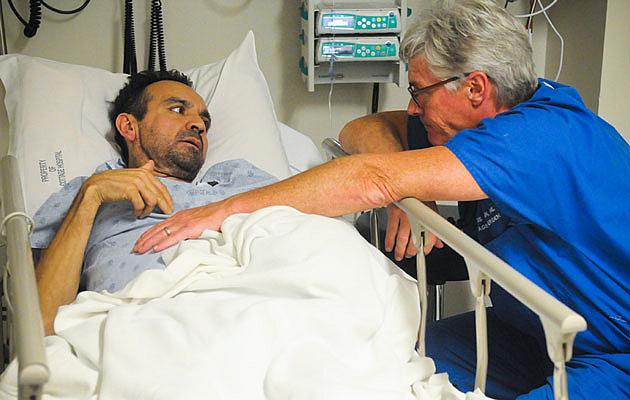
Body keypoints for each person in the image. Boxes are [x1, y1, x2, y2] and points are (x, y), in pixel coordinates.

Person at [133, 1, 630, 399]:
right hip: (523, 331)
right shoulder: (483, 120)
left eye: (418, 91)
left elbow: (369, 179)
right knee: (379, 357)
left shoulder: (540, 137)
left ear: (475, 88)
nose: (412, 107)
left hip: (613, 354)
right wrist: (408, 181)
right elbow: (365, 129)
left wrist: (223, 210)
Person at [32, 69, 278, 336]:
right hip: (153, 327)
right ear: (129, 127)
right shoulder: (87, 192)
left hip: (263, 310)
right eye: (177, 110)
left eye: (204, 121)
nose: (198, 125)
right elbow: (43, 321)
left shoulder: (236, 179)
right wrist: (91, 195)